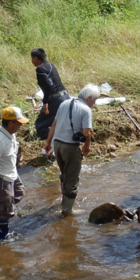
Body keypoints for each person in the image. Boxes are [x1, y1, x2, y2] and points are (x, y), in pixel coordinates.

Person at [45, 83, 100, 215]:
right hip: (70, 147)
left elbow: (53, 125)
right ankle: (67, 211)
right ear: (89, 97)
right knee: (72, 178)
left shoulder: (64, 103)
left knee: (64, 174)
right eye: (95, 100)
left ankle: (64, 202)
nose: (94, 103)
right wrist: (87, 146)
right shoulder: (86, 110)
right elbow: (86, 133)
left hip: (57, 144)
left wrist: (48, 143)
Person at [0, 107, 28, 240]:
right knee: (6, 211)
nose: (21, 125)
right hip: (1, 178)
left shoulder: (9, 132)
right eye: (19, 123)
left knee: (19, 193)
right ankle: (3, 238)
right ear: (10, 123)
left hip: (11, 173)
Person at [31, 48, 69, 147]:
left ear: (36, 58)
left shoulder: (40, 69)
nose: (32, 61)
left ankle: (56, 143)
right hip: (65, 97)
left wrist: (45, 103)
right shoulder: (51, 65)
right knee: (58, 122)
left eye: (32, 58)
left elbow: (48, 86)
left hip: (55, 100)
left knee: (40, 124)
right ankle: (63, 141)